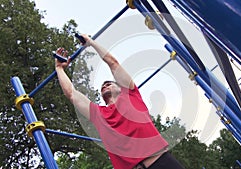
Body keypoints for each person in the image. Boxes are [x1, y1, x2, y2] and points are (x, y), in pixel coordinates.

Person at [55, 34, 185, 169]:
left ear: (120, 88)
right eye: (102, 86)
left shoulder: (131, 95)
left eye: (109, 83)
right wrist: (59, 68)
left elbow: (112, 62)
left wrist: (91, 42)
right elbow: (71, 93)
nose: (105, 86)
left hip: (161, 162)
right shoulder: (98, 113)